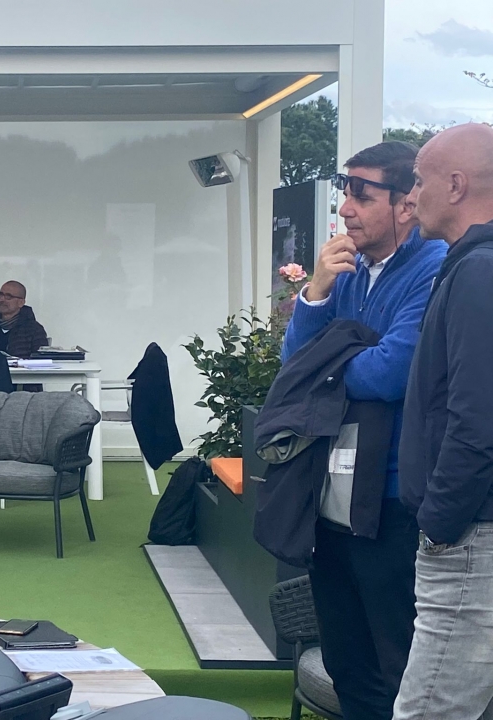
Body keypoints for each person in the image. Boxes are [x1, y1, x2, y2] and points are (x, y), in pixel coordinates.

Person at [281, 141, 447, 720]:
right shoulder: (347, 270)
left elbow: (391, 373)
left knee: (396, 665)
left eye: (362, 195)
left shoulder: (435, 268)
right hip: (333, 492)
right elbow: (294, 368)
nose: (345, 209)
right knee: (347, 662)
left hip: (395, 498)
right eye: (344, 192)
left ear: (407, 204)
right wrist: (315, 294)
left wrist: (323, 368)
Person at [393, 123, 493, 720]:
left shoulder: (479, 272)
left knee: (431, 711)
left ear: (455, 185)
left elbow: (478, 420)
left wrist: (440, 524)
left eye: (418, 181)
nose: (411, 197)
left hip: (471, 535)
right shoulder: (470, 267)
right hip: (471, 528)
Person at [0, 281, 48, 358]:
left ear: (21, 302)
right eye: (1, 295)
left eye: (8, 296)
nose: (2, 299)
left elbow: (41, 361)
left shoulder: (34, 330)